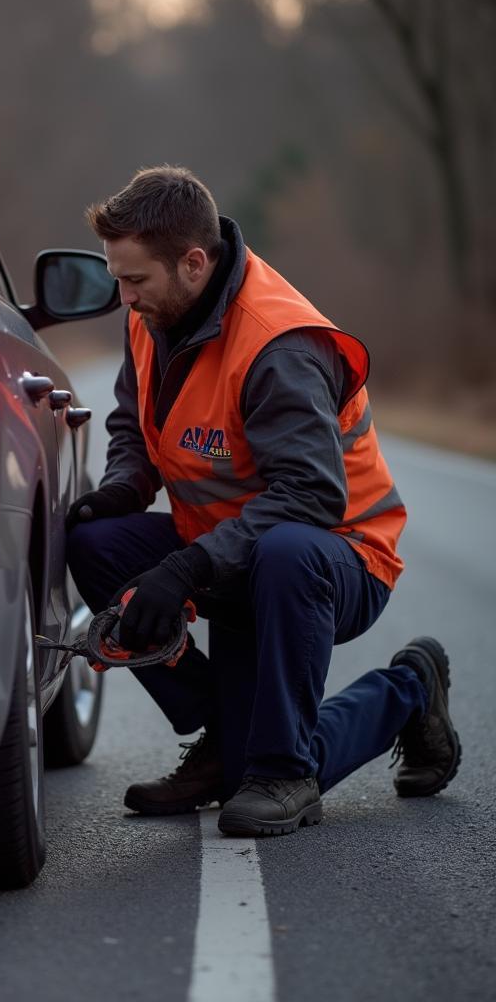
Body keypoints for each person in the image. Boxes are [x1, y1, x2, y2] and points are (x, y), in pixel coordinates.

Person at [67, 165, 461, 836]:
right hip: (231, 549)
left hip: (334, 558)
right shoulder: (152, 314)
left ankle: (331, 740)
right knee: (95, 542)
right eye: (116, 277)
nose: (123, 296)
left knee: (285, 551)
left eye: (135, 280)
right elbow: (133, 425)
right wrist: (124, 488)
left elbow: (311, 496)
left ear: (194, 263)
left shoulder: (278, 345)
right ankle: (229, 740)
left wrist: (185, 569)